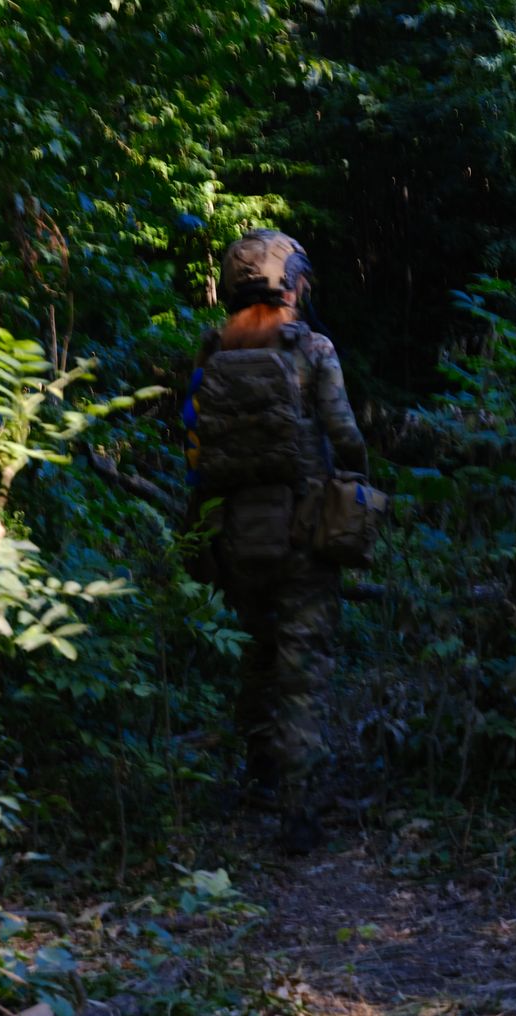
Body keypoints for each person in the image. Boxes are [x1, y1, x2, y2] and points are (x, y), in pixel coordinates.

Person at [184, 229, 368, 854]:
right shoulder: (312, 348)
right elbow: (344, 433)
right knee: (302, 670)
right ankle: (299, 813)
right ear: (291, 281)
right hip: (304, 533)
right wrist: (357, 478)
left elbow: (194, 442)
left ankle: (257, 777)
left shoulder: (213, 350)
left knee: (257, 654)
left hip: (236, 533)